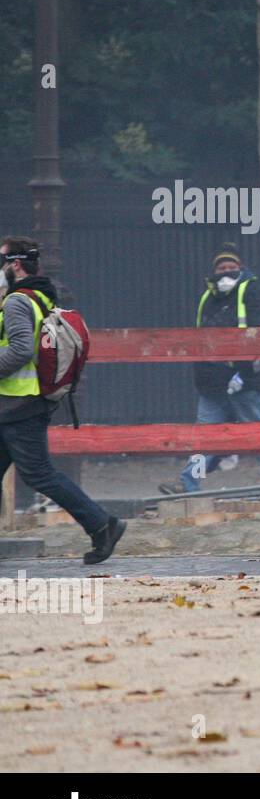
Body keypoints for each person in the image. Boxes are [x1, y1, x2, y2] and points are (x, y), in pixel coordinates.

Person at [0, 237, 125, 565]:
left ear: (15, 264)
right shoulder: (41, 296)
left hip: (18, 405)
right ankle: (102, 525)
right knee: (37, 472)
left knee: (40, 474)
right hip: (18, 404)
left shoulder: (16, 301)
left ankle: (102, 524)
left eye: (2, 261)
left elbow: (21, 350)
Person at [159, 245, 260, 495]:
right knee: (204, 436)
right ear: (214, 271)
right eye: (221, 268)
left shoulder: (252, 291)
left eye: (232, 267)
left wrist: (245, 374)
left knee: (259, 432)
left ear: (240, 268)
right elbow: (200, 342)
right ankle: (189, 482)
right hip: (213, 383)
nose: (226, 272)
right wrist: (204, 378)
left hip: (244, 380)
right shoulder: (208, 298)